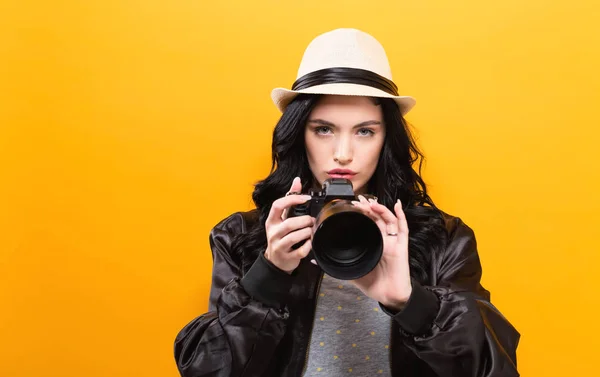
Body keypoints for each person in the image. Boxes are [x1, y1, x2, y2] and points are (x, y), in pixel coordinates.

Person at [173, 28, 520, 377]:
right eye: (324, 129)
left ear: (386, 140)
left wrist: (411, 303)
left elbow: (495, 369)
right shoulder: (243, 236)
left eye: (364, 131)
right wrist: (269, 274)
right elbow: (207, 370)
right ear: (299, 134)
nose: (342, 154)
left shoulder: (444, 240)